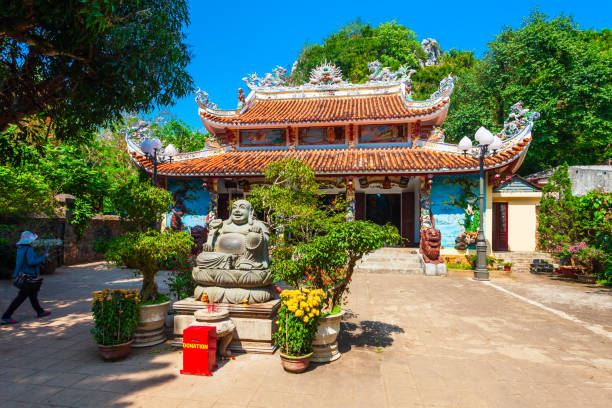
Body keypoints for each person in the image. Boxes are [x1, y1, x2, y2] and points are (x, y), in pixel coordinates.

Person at [1, 231, 52, 324]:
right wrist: (44, 256)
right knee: (20, 298)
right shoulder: (28, 249)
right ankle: (6, 316)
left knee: (33, 296)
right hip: (29, 277)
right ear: (29, 240)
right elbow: (31, 262)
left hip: (26, 276)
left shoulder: (21, 248)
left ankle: (40, 312)